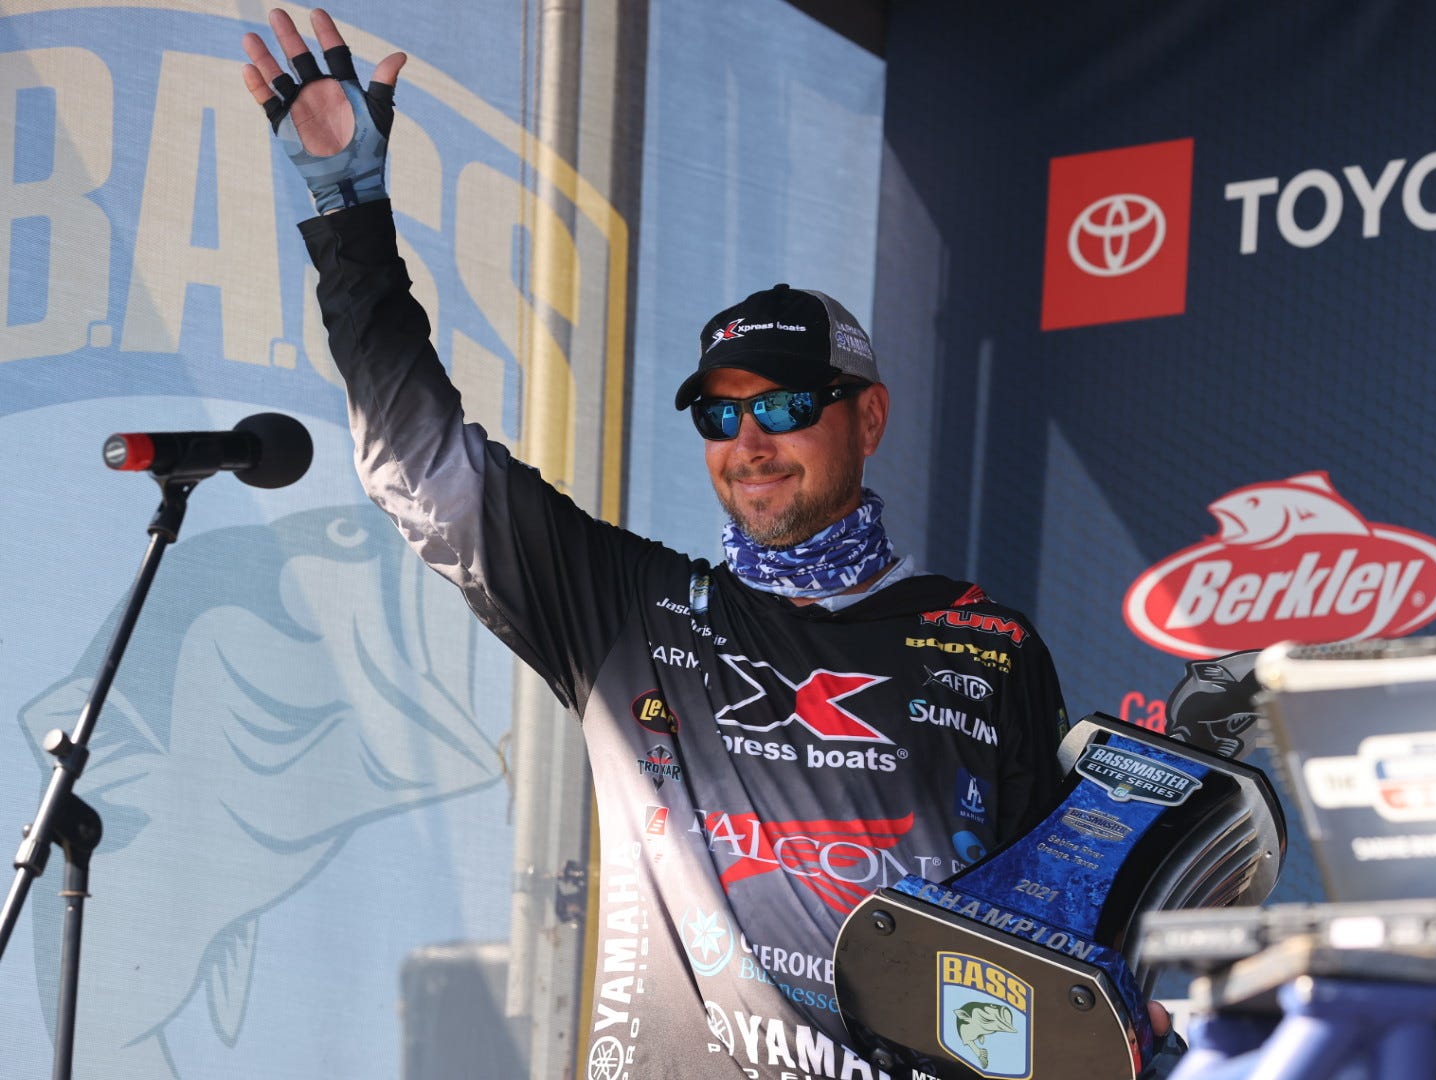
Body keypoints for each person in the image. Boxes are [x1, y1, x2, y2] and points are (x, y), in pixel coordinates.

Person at [242, 10, 1181, 1078]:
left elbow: (1051, 929)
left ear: (866, 420)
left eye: (785, 406)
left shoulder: (986, 643)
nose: (750, 443)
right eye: (721, 416)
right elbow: (418, 465)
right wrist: (347, 210)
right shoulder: (626, 608)